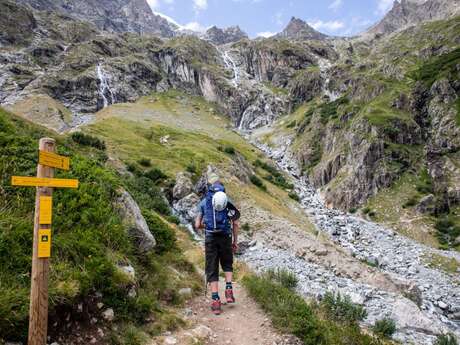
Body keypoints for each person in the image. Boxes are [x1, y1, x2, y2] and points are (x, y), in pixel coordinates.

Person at [195, 172, 240, 315]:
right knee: (227, 263)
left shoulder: (204, 202)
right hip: (225, 236)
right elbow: (236, 223)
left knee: (212, 267)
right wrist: (235, 241)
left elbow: (197, 225)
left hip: (210, 238)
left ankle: (215, 300)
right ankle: (228, 289)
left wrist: (207, 226)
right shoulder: (227, 199)